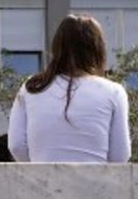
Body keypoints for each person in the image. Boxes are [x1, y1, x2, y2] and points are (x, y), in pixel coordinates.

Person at [7, 14, 131, 163]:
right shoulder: (114, 92)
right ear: (97, 49)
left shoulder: (32, 88)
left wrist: (36, 169)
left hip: (42, 182)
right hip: (95, 184)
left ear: (57, 47)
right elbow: (120, 155)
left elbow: (16, 146)